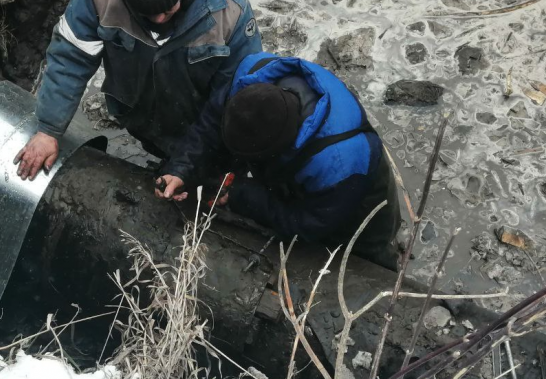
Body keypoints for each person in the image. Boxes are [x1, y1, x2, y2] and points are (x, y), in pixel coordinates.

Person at [15, 0, 262, 179]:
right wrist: (49, 129)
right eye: (147, 13)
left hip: (199, 128)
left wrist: (186, 164)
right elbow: (71, 57)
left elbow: (234, 99)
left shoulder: (231, 14)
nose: (158, 20)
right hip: (140, 118)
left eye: (167, 10)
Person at [155, 52, 401, 270]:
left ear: (276, 152)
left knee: (365, 257)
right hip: (305, 167)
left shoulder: (339, 164)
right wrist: (180, 169)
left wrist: (240, 195)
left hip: (361, 201)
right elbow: (208, 127)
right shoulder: (251, 77)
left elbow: (308, 223)